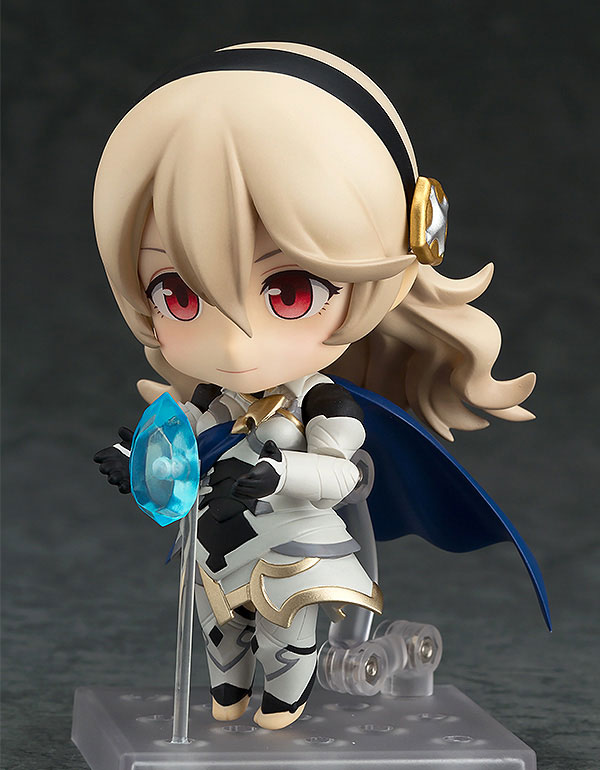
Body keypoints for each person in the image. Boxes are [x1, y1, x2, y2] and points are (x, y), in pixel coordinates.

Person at [93, 42, 542, 730]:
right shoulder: (213, 401)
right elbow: (180, 450)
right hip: (218, 547)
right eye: (177, 294)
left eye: (290, 292)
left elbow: (342, 475)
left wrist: (280, 474)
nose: (235, 344)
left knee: (286, 640)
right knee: (221, 638)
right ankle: (229, 697)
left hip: (292, 547)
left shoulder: (322, 403)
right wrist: (138, 462)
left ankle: (282, 704)